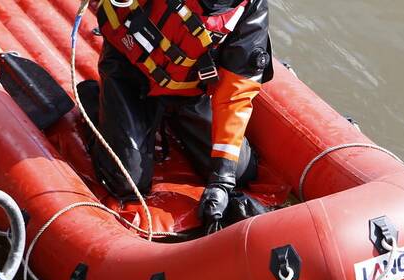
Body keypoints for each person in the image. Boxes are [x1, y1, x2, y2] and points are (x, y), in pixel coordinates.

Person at [87, 0, 273, 231]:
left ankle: (168, 118)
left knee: (240, 170)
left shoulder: (251, 8)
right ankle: (95, 101)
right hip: (131, 74)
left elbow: (236, 94)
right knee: (126, 179)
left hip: (187, 91)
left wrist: (221, 182)